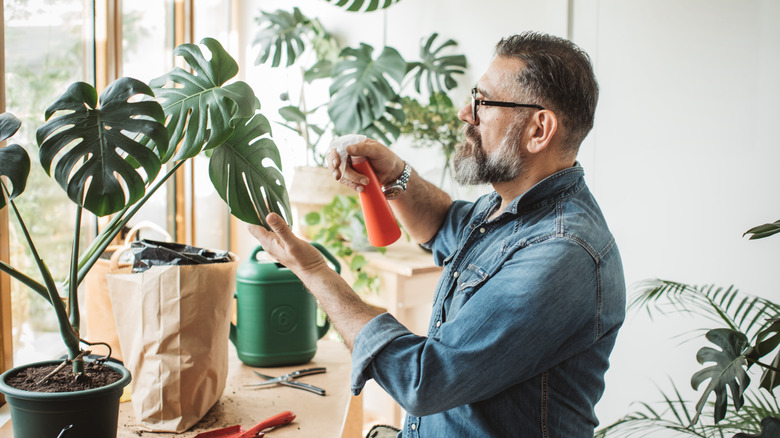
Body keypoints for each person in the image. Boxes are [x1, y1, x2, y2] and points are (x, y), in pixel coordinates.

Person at [249, 31, 626, 438]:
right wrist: (395, 174)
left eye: (484, 102)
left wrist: (311, 268)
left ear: (539, 130)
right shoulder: (507, 208)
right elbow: (445, 224)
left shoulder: (561, 253)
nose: (466, 112)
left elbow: (424, 379)